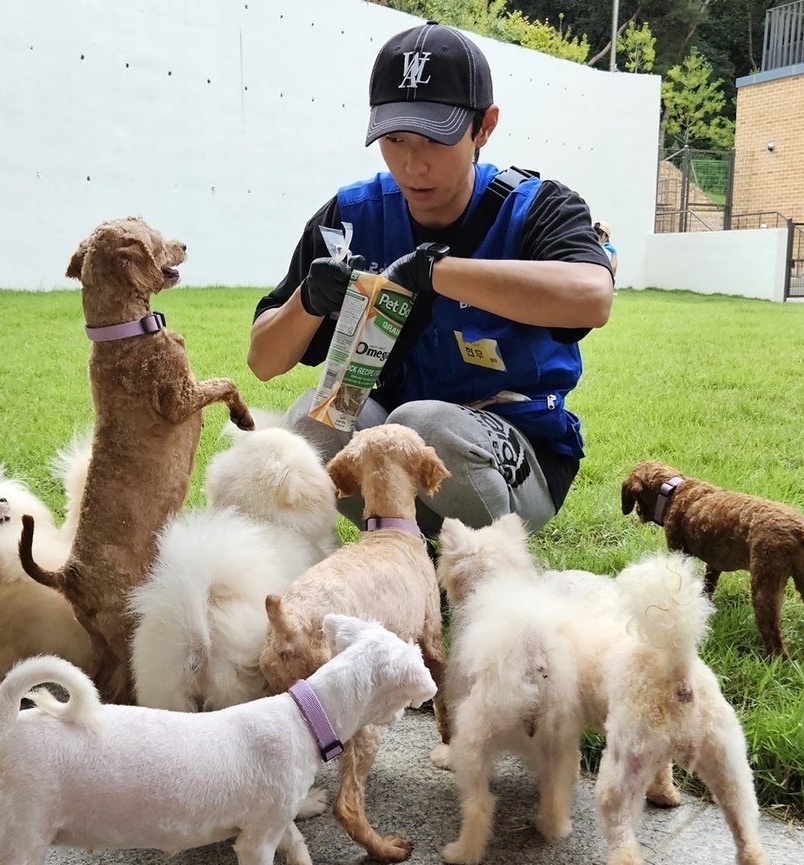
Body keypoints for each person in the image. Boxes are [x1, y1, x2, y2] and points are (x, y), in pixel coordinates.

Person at [247, 21, 614, 538]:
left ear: (484, 127)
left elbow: (591, 298)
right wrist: (308, 299)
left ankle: (494, 570)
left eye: (434, 139)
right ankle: (404, 553)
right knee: (312, 420)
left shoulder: (538, 208)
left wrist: (437, 273)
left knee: (426, 424)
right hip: (400, 445)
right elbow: (263, 361)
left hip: (516, 449)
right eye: (394, 139)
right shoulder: (352, 216)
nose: (412, 163)